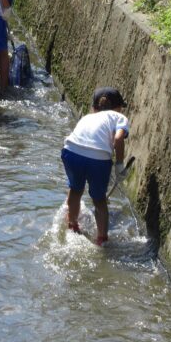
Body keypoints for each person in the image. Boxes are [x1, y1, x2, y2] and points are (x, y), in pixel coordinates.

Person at [62, 87, 129, 246]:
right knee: (99, 201)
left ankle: (72, 225)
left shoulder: (87, 117)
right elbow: (119, 140)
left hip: (70, 151)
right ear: (117, 107)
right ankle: (102, 240)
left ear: (95, 107)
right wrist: (119, 165)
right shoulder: (119, 117)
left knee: (76, 189)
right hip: (98, 158)